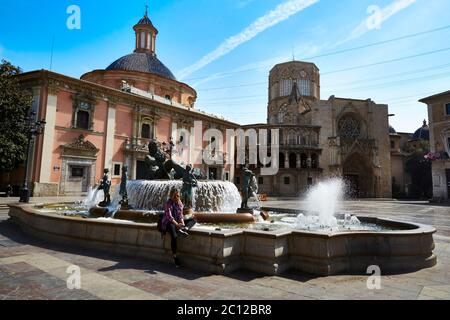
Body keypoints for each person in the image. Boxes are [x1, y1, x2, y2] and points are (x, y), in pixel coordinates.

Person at [162, 188, 196, 267]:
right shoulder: (168, 203)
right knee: (174, 236)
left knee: (193, 220)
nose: (177, 197)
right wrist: (177, 225)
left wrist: (182, 223)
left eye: (178, 195)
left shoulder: (179, 203)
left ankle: (185, 229)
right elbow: (169, 217)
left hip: (177, 221)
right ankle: (175, 256)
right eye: (175, 196)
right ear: (172, 196)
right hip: (169, 222)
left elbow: (180, 215)